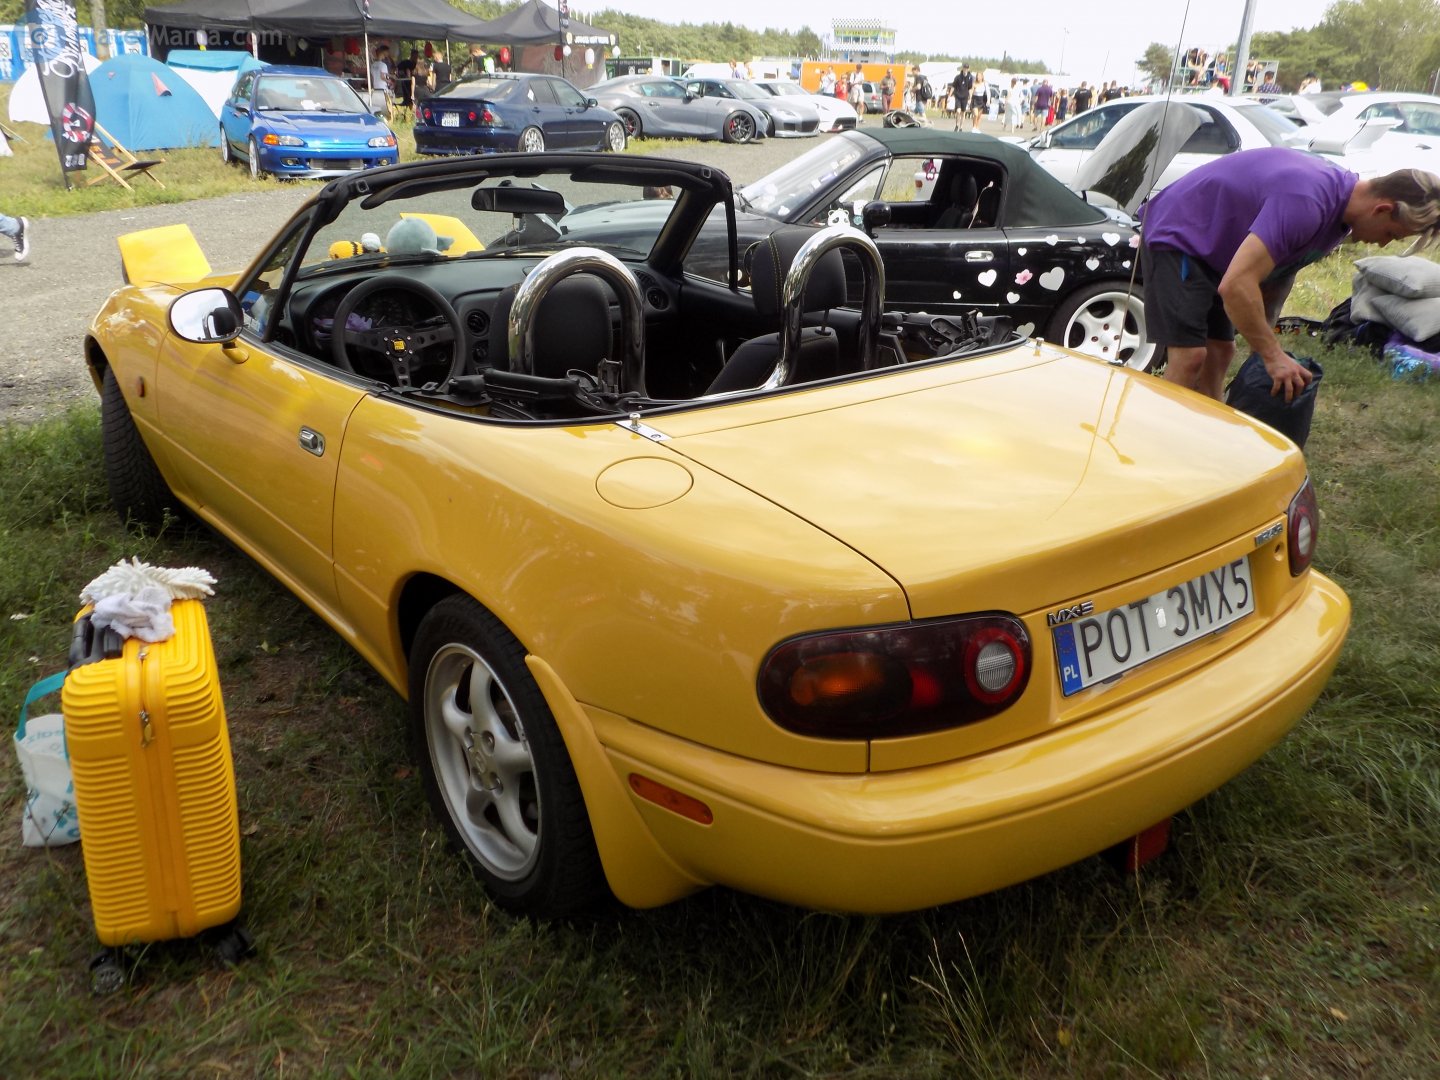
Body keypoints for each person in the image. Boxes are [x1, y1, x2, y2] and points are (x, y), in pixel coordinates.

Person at [1140, 148, 1440, 403]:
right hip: (1181, 232)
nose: (1384, 244)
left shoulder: (1338, 218)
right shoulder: (1308, 202)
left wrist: (1264, 346)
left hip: (1221, 249)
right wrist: (1272, 355)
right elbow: (1236, 285)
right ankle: (1158, 443)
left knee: (1221, 351)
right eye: (1391, 234)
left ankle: (1206, 432)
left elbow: (1276, 277)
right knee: (1191, 356)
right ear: (1382, 209)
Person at [950, 64, 973, 131]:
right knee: (958, 111)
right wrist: (949, 95)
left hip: (965, 97)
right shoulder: (958, 77)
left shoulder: (970, 77)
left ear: (968, 69)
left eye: (967, 68)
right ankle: (957, 125)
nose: (965, 69)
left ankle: (961, 127)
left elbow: (970, 89)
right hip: (958, 96)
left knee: (963, 112)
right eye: (964, 68)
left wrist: (970, 98)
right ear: (962, 68)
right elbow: (953, 86)